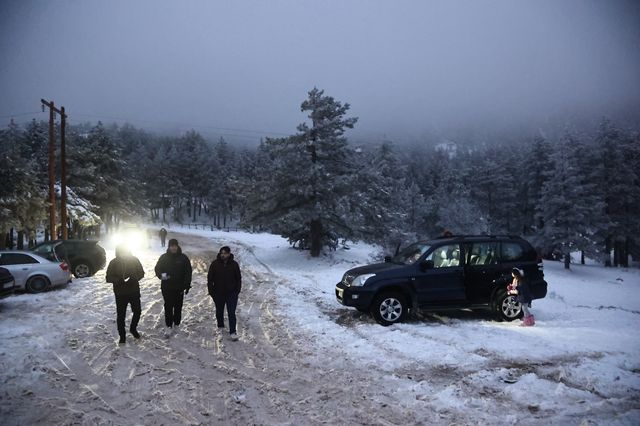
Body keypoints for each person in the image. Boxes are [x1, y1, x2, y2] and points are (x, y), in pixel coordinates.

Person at [105, 245, 145, 344]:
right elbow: (108, 277)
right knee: (121, 315)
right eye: (121, 252)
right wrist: (118, 280)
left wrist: (134, 278)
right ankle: (122, 335)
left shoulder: (134, 260)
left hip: (134, 291)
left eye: (125, 252)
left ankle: (133, 328)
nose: (124, 254)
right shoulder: (114, 263)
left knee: (137, 311)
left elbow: (141, 273)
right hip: (120, 293)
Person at [154, 239, 192, 337]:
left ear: (177, 246)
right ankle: (168, 325)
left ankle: (177, 324)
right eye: (171, 246)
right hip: (167, 287)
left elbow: (188, 272)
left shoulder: (183, 258)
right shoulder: (163, 257)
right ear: (169, 247)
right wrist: (163, 276)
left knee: (178, 306)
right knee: (168, 306)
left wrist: (186, 285)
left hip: (179, 287)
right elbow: (157, 269)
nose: (173, 247)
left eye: (175, 245)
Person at [207, 246, 242, 341]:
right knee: (219, 310)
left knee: (231, 312)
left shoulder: (234, 265)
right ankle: (220, 325)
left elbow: (238, 278)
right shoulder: (214, 264)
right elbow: (210, 278)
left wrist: (237, 290)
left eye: (225, 253)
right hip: (218, 292)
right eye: (222, 253)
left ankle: (233, 332)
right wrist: (211, 291)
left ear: (229, 254)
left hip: (231, 293)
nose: (223, 255)